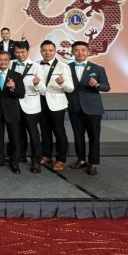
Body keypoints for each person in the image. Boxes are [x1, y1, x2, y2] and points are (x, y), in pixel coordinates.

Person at [65, 40, 111, 176]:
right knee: (77, 135)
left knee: (94, 136)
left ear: (88, 52)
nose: (80, 53)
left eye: (83, 50)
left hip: (93, 108)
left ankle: (93, 163)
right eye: (77, 50)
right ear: (72, 52)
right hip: (74, 106)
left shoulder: (98, 69)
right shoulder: (66, 68)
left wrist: (97, 85)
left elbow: (106, 87)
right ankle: (81, 159)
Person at [8, 41, 46, 173]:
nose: (20, 54)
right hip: (14, 104)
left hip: (31, 105)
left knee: (33, 134)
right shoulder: (10, 63)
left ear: (28, 52)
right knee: (18, 132)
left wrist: (37, 84)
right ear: (14, 52)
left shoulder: (36, 66)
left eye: (23, 52)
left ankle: (36, 161)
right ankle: (21, 155)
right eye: (17, 52)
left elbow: (43, 90)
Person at [37, 40, 74, 171]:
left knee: (59, 132)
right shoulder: (36, 65)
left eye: (50, 50)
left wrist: (62, 83)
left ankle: (61, 159)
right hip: (40, 103)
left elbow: (70, 88)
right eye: (44, 50)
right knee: (44, 131)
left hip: (57, 103)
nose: (47, 53)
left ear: (55, 51)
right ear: (41, 51)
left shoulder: (63, 66)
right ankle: (46, 155)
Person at [0, 50, 25, 174]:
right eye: (0, 59)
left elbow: (21, 94)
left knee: (14, 138)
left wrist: (13, 88)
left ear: (9, 61)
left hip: (12, 112)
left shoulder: (16, 75)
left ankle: (14, 163)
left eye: (5, 60)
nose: (3, 62)